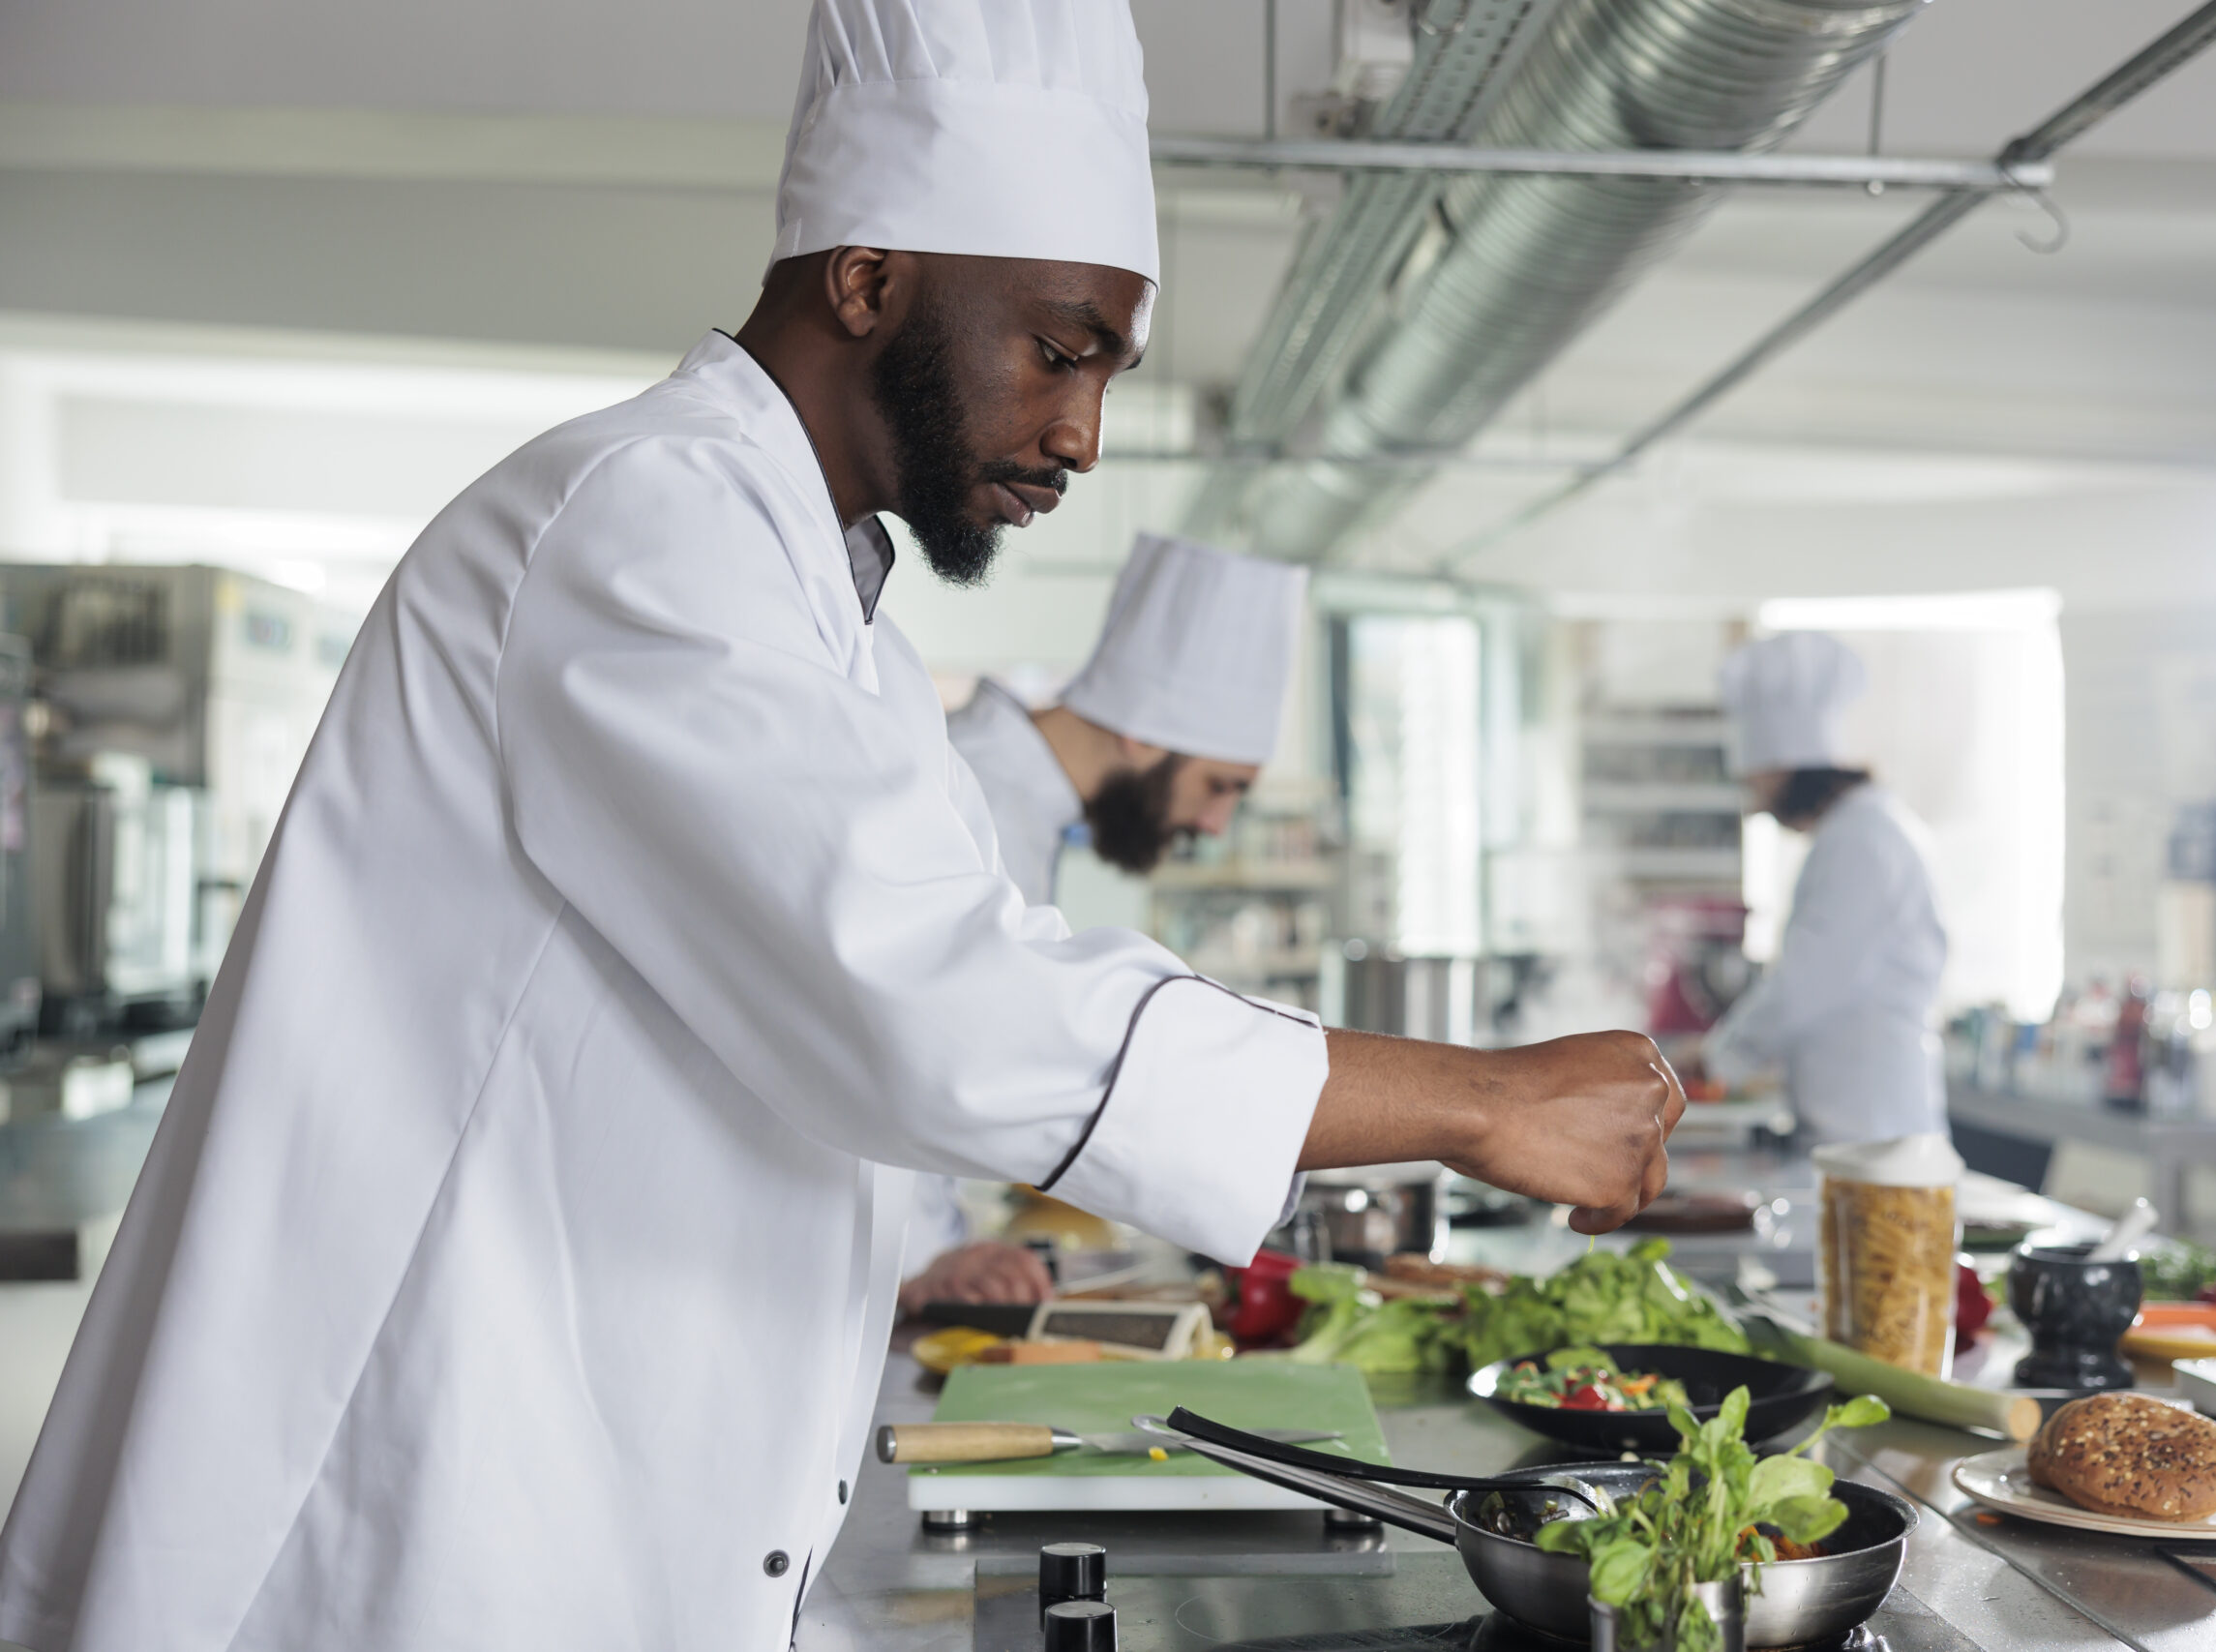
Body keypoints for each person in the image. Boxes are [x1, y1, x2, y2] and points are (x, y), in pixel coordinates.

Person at [0, 3, 1682, 1647]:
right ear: (867, 276)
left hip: (616, 1499)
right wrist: (1476, 1097)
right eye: (1060, 347)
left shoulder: (847, 628)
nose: (1084, 432)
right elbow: (929, 1000)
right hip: (405, 1522)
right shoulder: (640, 522)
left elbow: (803, 1063)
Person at [906, 533, 1305, 1312]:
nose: (1217, 824)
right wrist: (924, 1256)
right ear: (1144, 730)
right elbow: (910, 1051)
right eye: (1220, 785)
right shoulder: (968, 791)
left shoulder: (1020, 803)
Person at [1700, 632, 1950, 1144]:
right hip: (1854, 1124)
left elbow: (1809, 980)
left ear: (1786, 769)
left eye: (1756, 785)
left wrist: (1718, 1056)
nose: (1756, 805)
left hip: (1872, 1133)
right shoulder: (1857, 832)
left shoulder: (1860, 842)